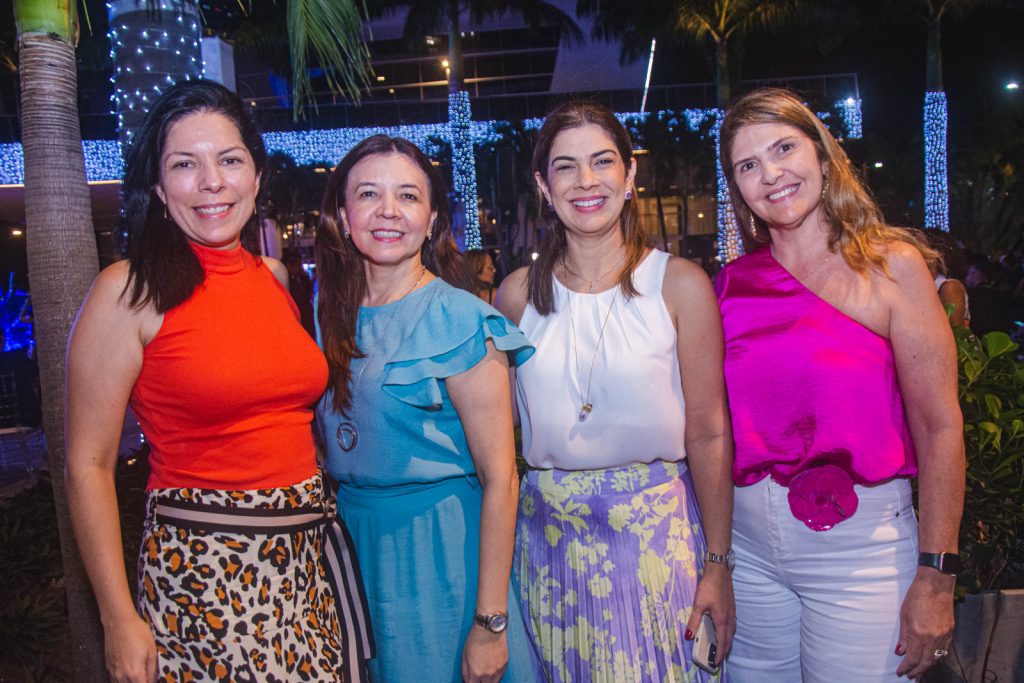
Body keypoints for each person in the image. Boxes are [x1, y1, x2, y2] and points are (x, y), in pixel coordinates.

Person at [66, 80, 371, 683]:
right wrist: (118, 617)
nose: (212, 182)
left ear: (255, 178)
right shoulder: (127, 292)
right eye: (185, 164)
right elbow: (88, 465)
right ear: (157, 185)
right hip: (204, 572)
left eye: (229, 160)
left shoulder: (276, 277)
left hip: (305, 564)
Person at [715, 88, 965, 681]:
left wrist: (936, 575)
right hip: (747, 552)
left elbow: (940, 426)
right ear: (737, 188)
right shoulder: (729, 285)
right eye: (747, 165)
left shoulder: (892, 265)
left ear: (824, 159)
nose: (770, 174)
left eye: (783, 149)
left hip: (864, 551)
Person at [496, 100, 735, 682]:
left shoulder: (678, 284)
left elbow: (708, 432)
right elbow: (498, 441)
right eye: (566, 166)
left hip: (659, 550)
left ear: (630, 176)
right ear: (543, 186)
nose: (586, 181)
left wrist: (718, 565)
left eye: (603, 162)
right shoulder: (514, 295)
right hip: (548, 550)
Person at [315, 135, 535, 683]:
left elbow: (501, 479)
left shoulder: (462, 320)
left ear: (433, 218)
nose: (388, 212)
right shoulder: (327, 315)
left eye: (408, 197)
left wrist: (489, 622)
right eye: (369, 194)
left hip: (441, 558)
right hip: (354, 551)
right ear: (344, 215)